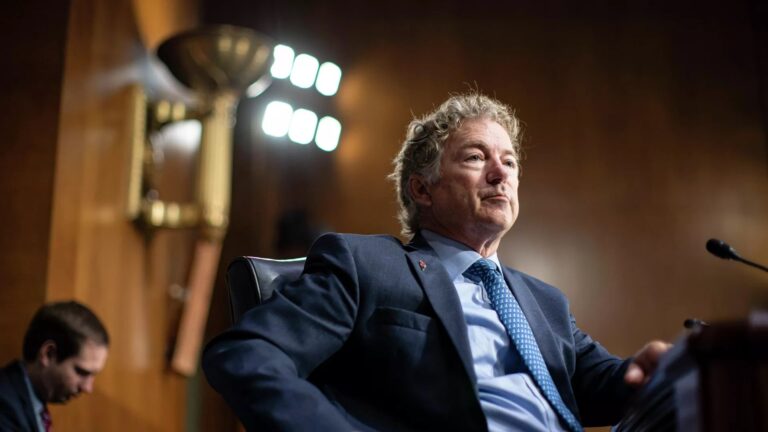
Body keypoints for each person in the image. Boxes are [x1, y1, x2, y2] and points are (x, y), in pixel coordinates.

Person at [203, 92, 670, 431]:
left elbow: (610, 384)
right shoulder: (366, 264)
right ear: (422, 189)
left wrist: (658, 371)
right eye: (476, 157)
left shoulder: (546, 303)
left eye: (510, 162)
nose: (500, 174)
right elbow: (247, 354)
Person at [0, 301, 109, 432]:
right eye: (81, 372)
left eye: (93, 374)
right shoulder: (4, 407)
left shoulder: (31, 402)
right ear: (48, 354)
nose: (87, 388)